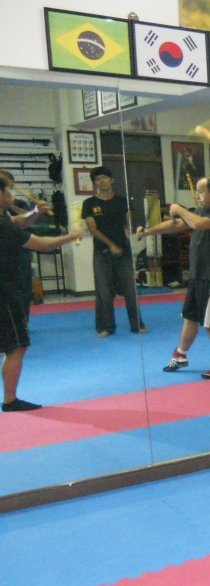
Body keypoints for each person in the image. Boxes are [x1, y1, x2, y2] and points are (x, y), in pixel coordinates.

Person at [137, 176, 210, 378]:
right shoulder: (201, 211)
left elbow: (199, 224)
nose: (197, 196)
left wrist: (180, 209)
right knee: (190, 317)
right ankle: (181, 354)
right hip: (197, 274)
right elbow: (175, 225)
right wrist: (148, 232)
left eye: (201, 191)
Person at [0, 172, 82, 411]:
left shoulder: (4, 218)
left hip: (9, 286)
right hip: (5, 291)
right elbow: (43, 245)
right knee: (17, 346)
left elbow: (19, 221)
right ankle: (10, 400)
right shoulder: (2, 225)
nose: (12, 194)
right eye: (8, 190)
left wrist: (36, 212)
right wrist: (71, 236)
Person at [81, 166, 146, 337]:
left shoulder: (123, 201)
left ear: (112, 180)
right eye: (97, 179)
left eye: (104, 177)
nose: (101, 181)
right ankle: (106, 327)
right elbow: (93, 229)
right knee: (104, 292)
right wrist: (111, 245)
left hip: (123, 252)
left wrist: (130, 229)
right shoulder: (89, 203)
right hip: (102, 253)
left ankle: (137, 325)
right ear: (95, 183)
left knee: (130, 290)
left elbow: (128, 221)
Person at [1, 169, 50, 321]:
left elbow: (25, 219)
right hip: (5, 253)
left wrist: (11, 204)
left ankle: (23, 322)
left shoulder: (18, 203)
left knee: (23, 288)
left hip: (21, 249)